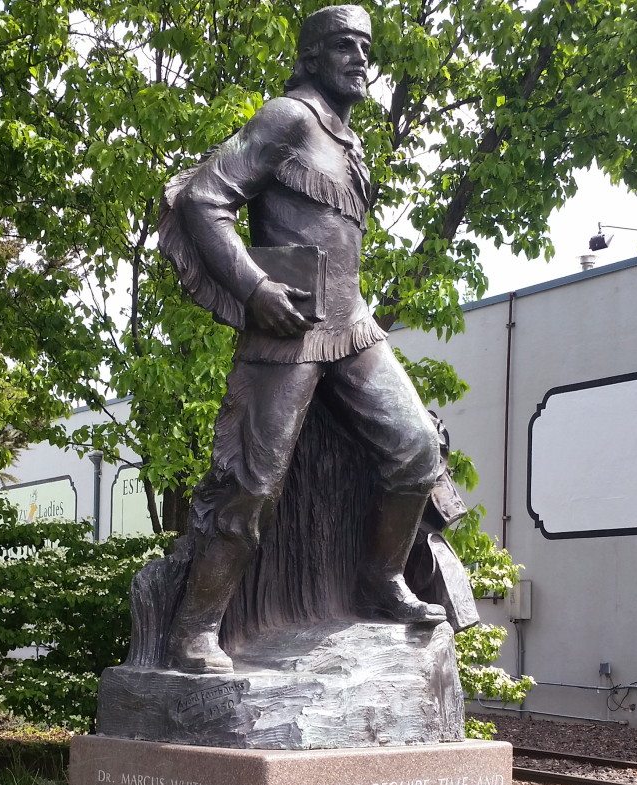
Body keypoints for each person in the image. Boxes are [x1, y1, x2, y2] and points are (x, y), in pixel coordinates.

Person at [159, 4, 445, 673]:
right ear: (313, 56)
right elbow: (203, 198)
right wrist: (255, 288)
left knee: (415, 449)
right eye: (344, 47)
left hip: (351, 323)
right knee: (252, 480)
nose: (360, 60)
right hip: (286, 321)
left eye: (366, 49)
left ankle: (379, 581)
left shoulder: (345, 140)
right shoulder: (288, 118)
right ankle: (193, 631)